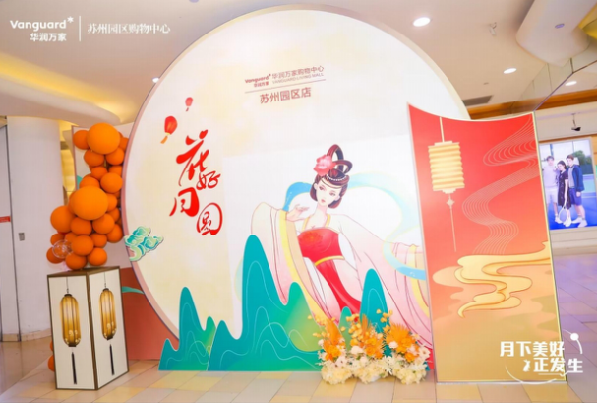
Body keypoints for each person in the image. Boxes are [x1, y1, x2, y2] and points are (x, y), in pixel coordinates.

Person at [251, 144, 432, 349]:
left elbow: (373, 244)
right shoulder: (301, 223)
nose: (325, 195)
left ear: (337, 196)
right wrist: (286, 218)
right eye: (323, 188)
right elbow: (281, 237)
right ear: (316, 186)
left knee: (355, 317)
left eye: (332, 192)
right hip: (315, 281)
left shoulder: (338, 221)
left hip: (341, 278)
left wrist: (412, 252)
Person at [567, 155, 587, 228]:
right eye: (567, 161)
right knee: (575, 204)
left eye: (569, 161)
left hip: (576, 190)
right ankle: (579, 218)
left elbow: (580, 180)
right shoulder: (568, 169)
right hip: (570, 190)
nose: (568, 162)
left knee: (579, 205)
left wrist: (578, 190)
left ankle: (584, 221)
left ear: (573, 161)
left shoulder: (577, 169)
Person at [543, 156, 560, 224]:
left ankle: (557, 217)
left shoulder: (556, 169)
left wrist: (557, 170)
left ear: (553, 161)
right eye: (549, 160)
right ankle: (545, 219)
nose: (550, 162)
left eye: (551, 160)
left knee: (555, 203)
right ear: (547, 161)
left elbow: (560, 176)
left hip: (554, 188)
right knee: (546, 203)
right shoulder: (544, 169)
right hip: (546, 188)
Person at [557, 161, 571, 227]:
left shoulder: (565, 173)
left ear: (564, 166)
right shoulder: (561, 172)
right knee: (564, 206)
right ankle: (567, 219)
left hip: (564, 192)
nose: (559, 167)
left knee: (566, 207)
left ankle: (569, 220)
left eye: (560, 166)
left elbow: (566, 184)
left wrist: (565, 193)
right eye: (558, 166)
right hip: (561, 191)